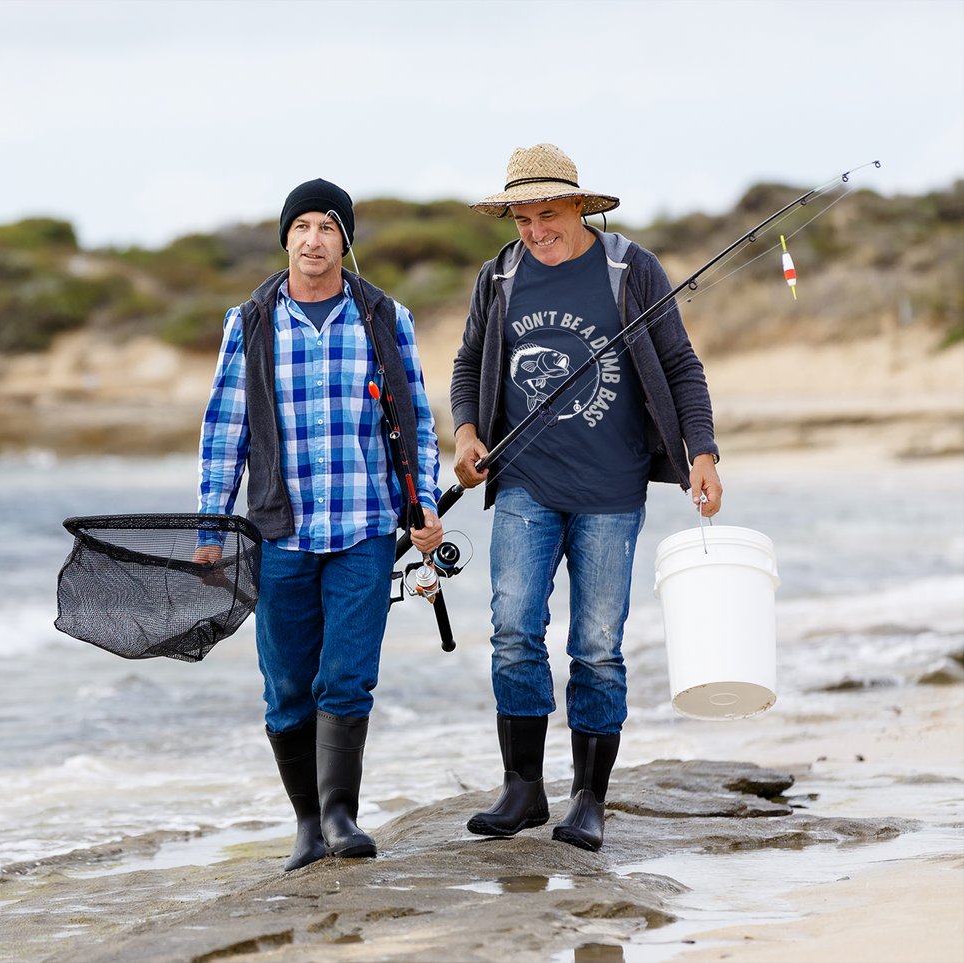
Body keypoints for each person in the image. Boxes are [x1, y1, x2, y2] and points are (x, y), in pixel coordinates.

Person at [449, 144, 723, 852]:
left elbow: (679, 366)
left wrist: (701, 452)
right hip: (523, 485)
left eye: (547, 213)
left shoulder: (628, 269)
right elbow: (468, 359)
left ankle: (588, 798)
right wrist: (466, 432)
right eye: (521, 217)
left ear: (577, 206)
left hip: (609, 490)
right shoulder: (498, 276)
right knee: (512, 629)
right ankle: (522, 787)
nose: (535, 230)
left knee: (597, 646)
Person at [193, 178, 443, 871]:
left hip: (363, 528)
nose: (312, 240)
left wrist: (420, 504)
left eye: (327, 227)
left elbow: (416, 420)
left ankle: (340, 814)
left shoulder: (383, 315)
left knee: (347, 678)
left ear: (344, 241)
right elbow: (224, 432)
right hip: (279, 533)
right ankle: (306, 822)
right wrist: (212, 526)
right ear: (285, 237)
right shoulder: (248, 321)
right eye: (301, 226)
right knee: (286, 686)